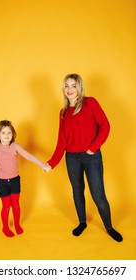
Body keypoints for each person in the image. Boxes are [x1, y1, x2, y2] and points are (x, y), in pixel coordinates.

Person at [43, 74, 123, 242]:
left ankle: (109, 226)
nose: (69, 89)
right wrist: (51, 163)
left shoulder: (90, 103)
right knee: (77, 191)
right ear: (63, 89)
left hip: (91, 157)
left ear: (79, 88)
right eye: (66, 86)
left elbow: (105, 126)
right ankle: (82, 222)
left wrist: (93, 148)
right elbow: (61, 142)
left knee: (98, 195)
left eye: (73, 85)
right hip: (71, 158)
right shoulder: (63, 113)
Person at [0, 120, 46, 238]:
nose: (7, 136)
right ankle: (5, 227)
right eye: (3, 133)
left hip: (15, 181)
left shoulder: (15, 146)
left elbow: (28, 156)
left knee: (16, 205)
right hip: (1, 182)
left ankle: (17, 224)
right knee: (6, 206)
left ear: (12, 134)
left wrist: (42, 165)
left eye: (9, 133)